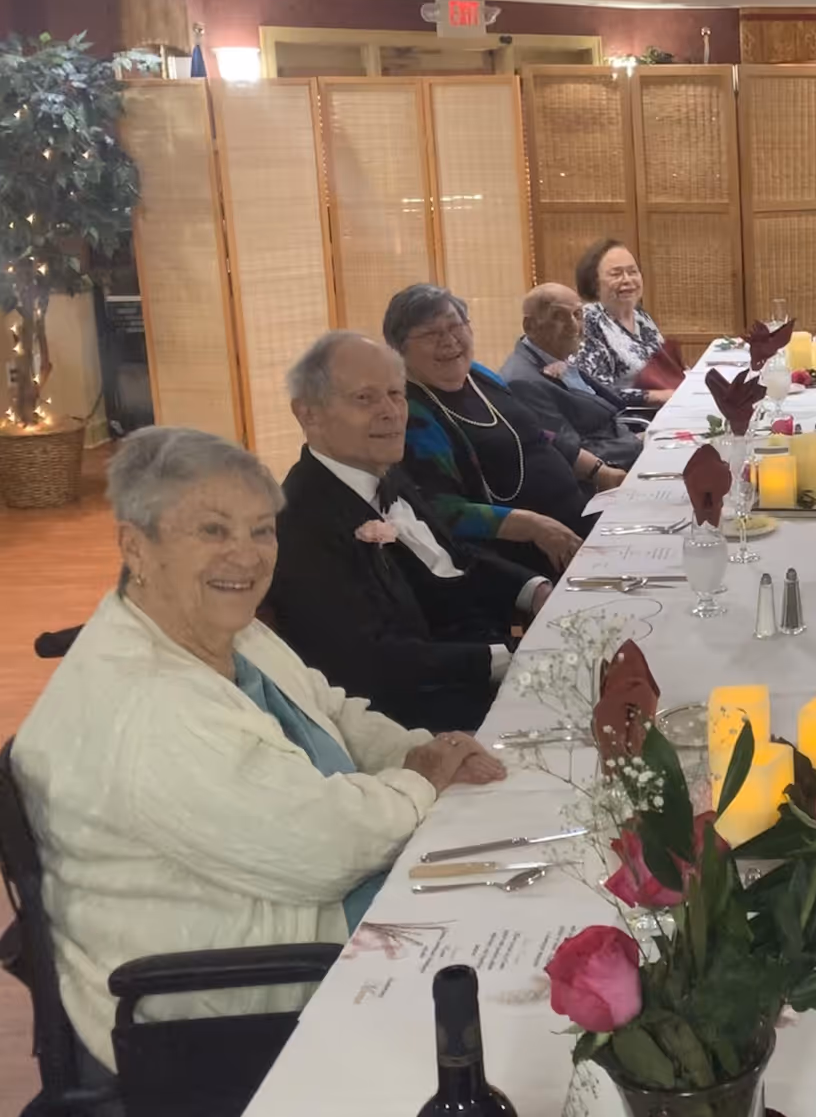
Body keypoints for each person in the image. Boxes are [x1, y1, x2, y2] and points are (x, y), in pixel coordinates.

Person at [12, 428, 506, 1075]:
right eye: (212, 531)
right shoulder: (149, 704)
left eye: (261, 530)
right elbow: (324, 847)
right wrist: (420, 782)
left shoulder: (223, 629)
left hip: (302, 905)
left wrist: (429, 751)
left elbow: (329, 710)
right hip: (234, 1000)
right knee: (514, 983)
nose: (245, 556)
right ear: (137, 545)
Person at [271, 332, 552, 732]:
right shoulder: (301, 521)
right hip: (422, 720)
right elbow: (370, 662)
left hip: (478, 670)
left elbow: (458, 560)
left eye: (395, 394)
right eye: (365, 399)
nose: (391, 412)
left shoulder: (386, 473)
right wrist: (508, 657)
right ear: (308, 414)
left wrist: (537, 591)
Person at [385, 284, 607, 577]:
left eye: (455, 326)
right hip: (523, 552)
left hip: (577, 514)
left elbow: (534, 434)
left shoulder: (478, 376)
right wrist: (532, 525)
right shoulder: (413, 414)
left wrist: (601, 472)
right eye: (430, 334)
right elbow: (441, 511)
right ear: (400, 348)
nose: (449, 340)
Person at [500, 283, 643, 471]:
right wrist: (639, 443)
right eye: (559, 317)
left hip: (624, 444)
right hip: (606, 475)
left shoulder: (555, 357)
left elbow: (605, 409)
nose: (574, 325)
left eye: (577, 315)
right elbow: (573, 453)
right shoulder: (523, 382)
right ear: (530, 326)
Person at [574, 239, 685, 400]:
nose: (627, 280)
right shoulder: (589, 322)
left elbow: (663, 368)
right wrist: (656, 396)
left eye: (633, 272)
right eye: (616, 274)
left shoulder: (640, 316)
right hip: (632, 419)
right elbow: (594, 392)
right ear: (594, 283)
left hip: (666, 407)